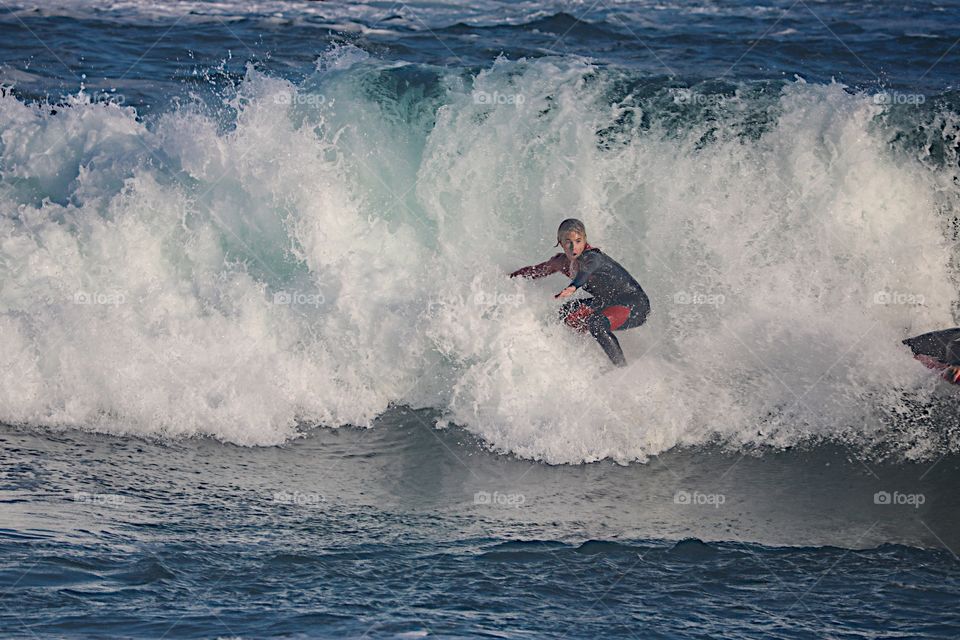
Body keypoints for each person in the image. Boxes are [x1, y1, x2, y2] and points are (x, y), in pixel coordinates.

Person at [509, 218, 650, 366]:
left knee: (596, 324)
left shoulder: (593, 257)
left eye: (578, 241)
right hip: (608, 303)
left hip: (635, 305)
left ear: (585, 240)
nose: (573, 247)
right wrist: (508, 278)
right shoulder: (562, 262)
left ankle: (623, 370)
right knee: (567, 313)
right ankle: (583, 360)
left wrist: (574, 286)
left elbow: (586, 271)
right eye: (568, 241)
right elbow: (535, 271)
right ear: (560, 242)